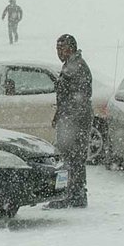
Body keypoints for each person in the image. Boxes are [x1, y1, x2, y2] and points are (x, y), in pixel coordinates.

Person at [45, 34, 93, 210]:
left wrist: (68, 119)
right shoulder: (70, 65)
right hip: (72, 119)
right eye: (57, 49)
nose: (58, 52)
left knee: (69, 159)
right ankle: (76, 195)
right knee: (74, 159)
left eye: (61, 48)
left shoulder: (76, 67)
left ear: (71, 48)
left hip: (75, 121)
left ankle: (67, 196)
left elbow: (79, 97)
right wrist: (59, 115)